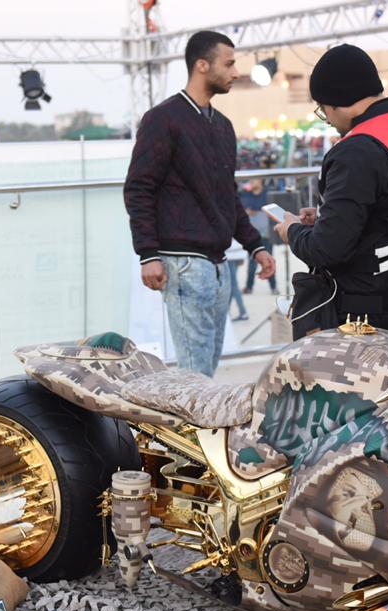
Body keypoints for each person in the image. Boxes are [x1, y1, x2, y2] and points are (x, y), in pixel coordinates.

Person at [124, 30, 275, 376]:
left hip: (217, 264)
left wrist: (255, 245)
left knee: (205, 370)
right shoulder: (163, 119)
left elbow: (227, 194)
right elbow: (139, 188)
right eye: (229, 63)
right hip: (183, 263)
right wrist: (148, 254)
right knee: (195, 375)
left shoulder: (223, 126)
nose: (236, 72)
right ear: (202, 65)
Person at [274, 43, 388, 342]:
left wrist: (292, 231)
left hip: (370, 307)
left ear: (337, 103)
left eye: (324, 110)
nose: (328, 120)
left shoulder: (357, 150)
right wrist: (329, 214)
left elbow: (327, 249)